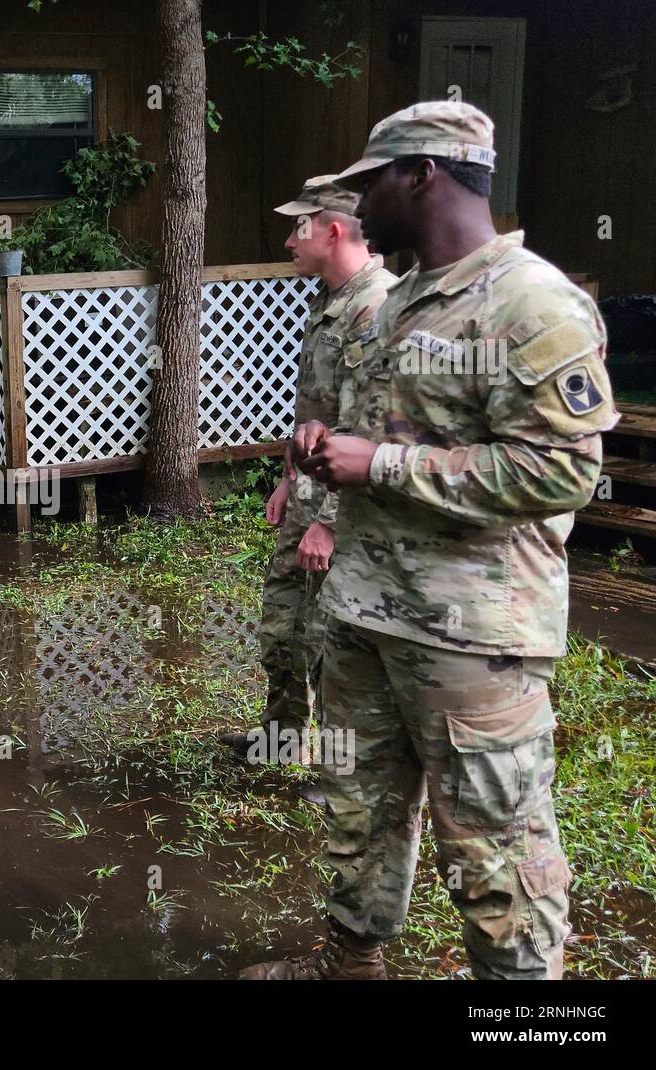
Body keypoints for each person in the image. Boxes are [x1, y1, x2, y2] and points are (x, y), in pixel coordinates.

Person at [240, 102, 617, 980]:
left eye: (371, 181)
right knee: (358, 814)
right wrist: (326, 457)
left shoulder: (533, 300)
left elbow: (562, 474)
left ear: (423, 176)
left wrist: (386, 467)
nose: (357, 203)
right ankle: (351, 965)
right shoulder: (396, 302)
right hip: (367, 618)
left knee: (495, 852)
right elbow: (376, 435)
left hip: (472, 640)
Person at [221, 176, 394, 783]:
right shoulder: (330, 300)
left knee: (337, 645)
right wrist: (288, 481)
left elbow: (375, 434)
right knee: (284, 626)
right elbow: (316, 413)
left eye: (300, 225)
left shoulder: (378, 309)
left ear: (335, 229)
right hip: (309, 497)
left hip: (347, 513)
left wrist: (328, 521)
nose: (289, 237)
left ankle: (341, 777)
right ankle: (282, 741)